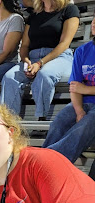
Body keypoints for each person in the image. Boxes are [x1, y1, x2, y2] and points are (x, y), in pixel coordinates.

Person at [0, 0, 79, 120]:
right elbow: (25, 45)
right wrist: (26, 60)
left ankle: (41, 119)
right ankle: (9, 122)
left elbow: (64, 43)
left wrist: (40, 63)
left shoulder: (69, 10)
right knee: (10, 77)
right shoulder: (34, 15)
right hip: (33, 57)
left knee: (44, 74)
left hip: (59, 56)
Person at [43, 23, 95, 163]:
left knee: (84, 126)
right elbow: (74, 86)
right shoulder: (82, 50)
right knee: (58, 122)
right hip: (82, 101)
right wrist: (79, 111)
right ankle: (42, 160)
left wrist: (86, 89)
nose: (94, 23)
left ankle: (49, 162)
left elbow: (80, 87)